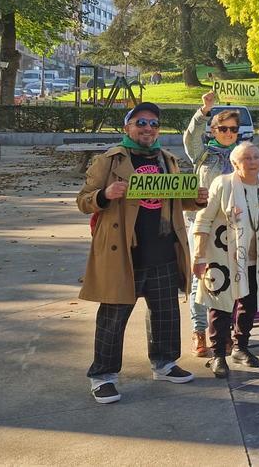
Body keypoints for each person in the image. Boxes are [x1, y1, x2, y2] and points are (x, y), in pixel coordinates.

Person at [76, 102, 208, 404]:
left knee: (165, 312)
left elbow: (177, 200)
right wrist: (104, 195)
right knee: (113, 317)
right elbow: (83, 201)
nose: (147, 128)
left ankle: (164, 363)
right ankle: (103, 376)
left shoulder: (167, 159)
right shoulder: (109, 161)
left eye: (153, 124)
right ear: (127, 127)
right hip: (124, 252)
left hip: (163, 248)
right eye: (140, 123)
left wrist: (196, 199)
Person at [182, 90, 259, 357]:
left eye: (233, 129)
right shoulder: (203, 156)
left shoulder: (243, 154)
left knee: (239, 282)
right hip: (204, 225)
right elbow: (190, 138)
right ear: (213, 130)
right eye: (222, 128)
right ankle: (199, 331)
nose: (228, 132)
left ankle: (228, 336)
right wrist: (204, 111)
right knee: (202, 280)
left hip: (241, 231)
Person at [192, 143, 259, 377]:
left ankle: (241, 347)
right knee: (221, 305)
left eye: (256, 157)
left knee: (250, 304)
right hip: (223, 255)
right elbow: (203, 220)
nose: (253, 161)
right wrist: (199, 256)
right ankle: (217, 355)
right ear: (236, 163)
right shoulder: (223, 184)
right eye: (247, 158)